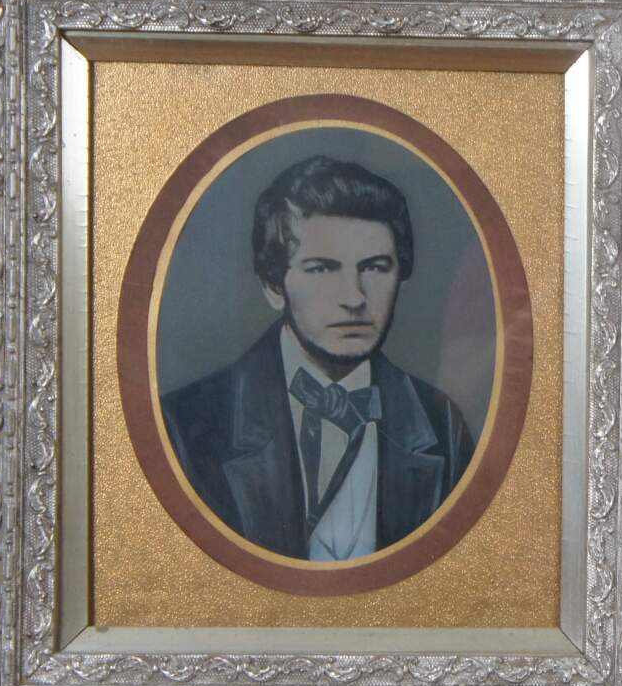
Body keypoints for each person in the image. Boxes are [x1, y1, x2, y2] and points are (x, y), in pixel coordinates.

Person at [162, 155, 476, 562]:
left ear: (400, 277)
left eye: (375, 268)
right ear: (274, 286)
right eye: (322, 269)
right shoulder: (187, 427)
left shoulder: (441, 425)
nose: (354, 297)